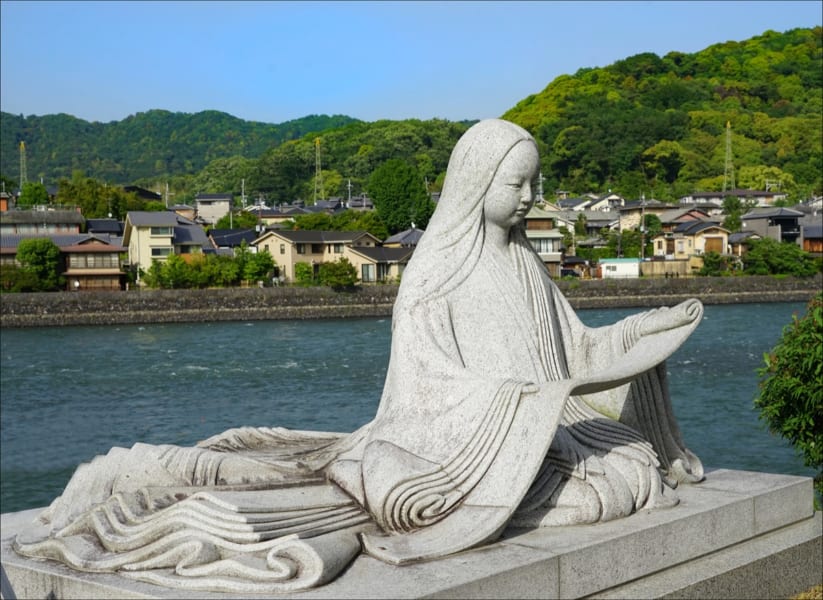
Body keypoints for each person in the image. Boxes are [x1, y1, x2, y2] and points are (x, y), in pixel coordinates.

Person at [15, 119, 703, 592]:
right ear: (474, 182)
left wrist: (636, 339)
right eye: (513, 184)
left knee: (629, 463)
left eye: (533, 183)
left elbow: (572, 349)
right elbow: (432, 389)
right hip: (455, 448)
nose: (528, 198)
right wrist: (535, 399)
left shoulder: (525, 263)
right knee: (595, 493)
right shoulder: (436, 273)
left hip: (534, 432)